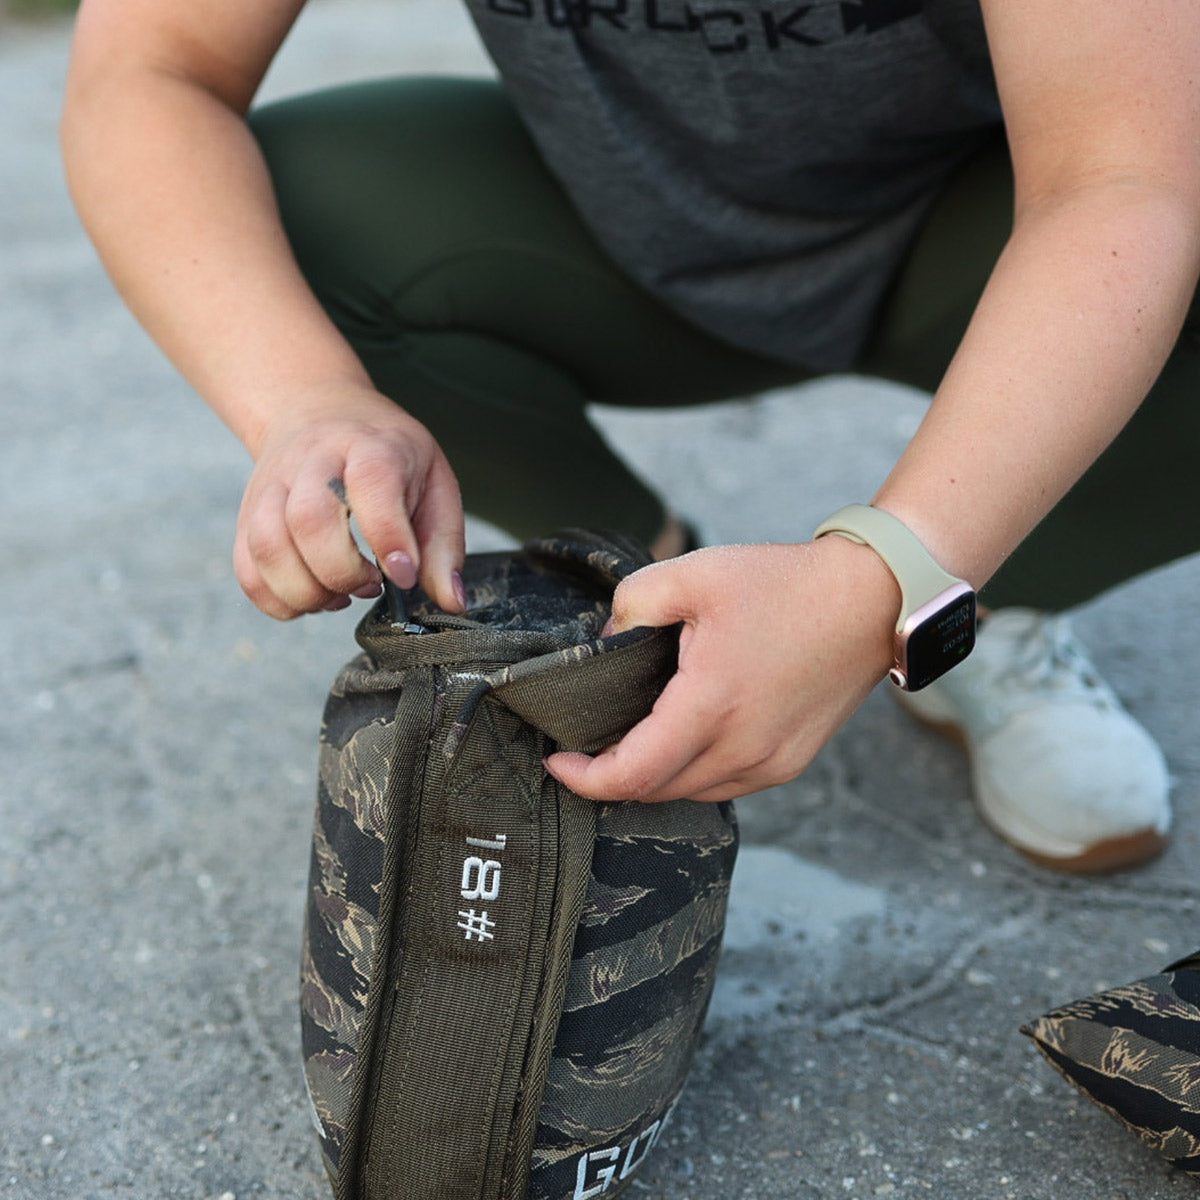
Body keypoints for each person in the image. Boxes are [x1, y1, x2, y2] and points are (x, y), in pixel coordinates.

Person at [60, 0, 1198, 872]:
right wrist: (306, 397)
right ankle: (647, 596)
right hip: (630, 245)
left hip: (985, 235)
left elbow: (1125, 177)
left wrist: (890, 568)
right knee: (293, 222)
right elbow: (151, 72)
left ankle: (972, 613)